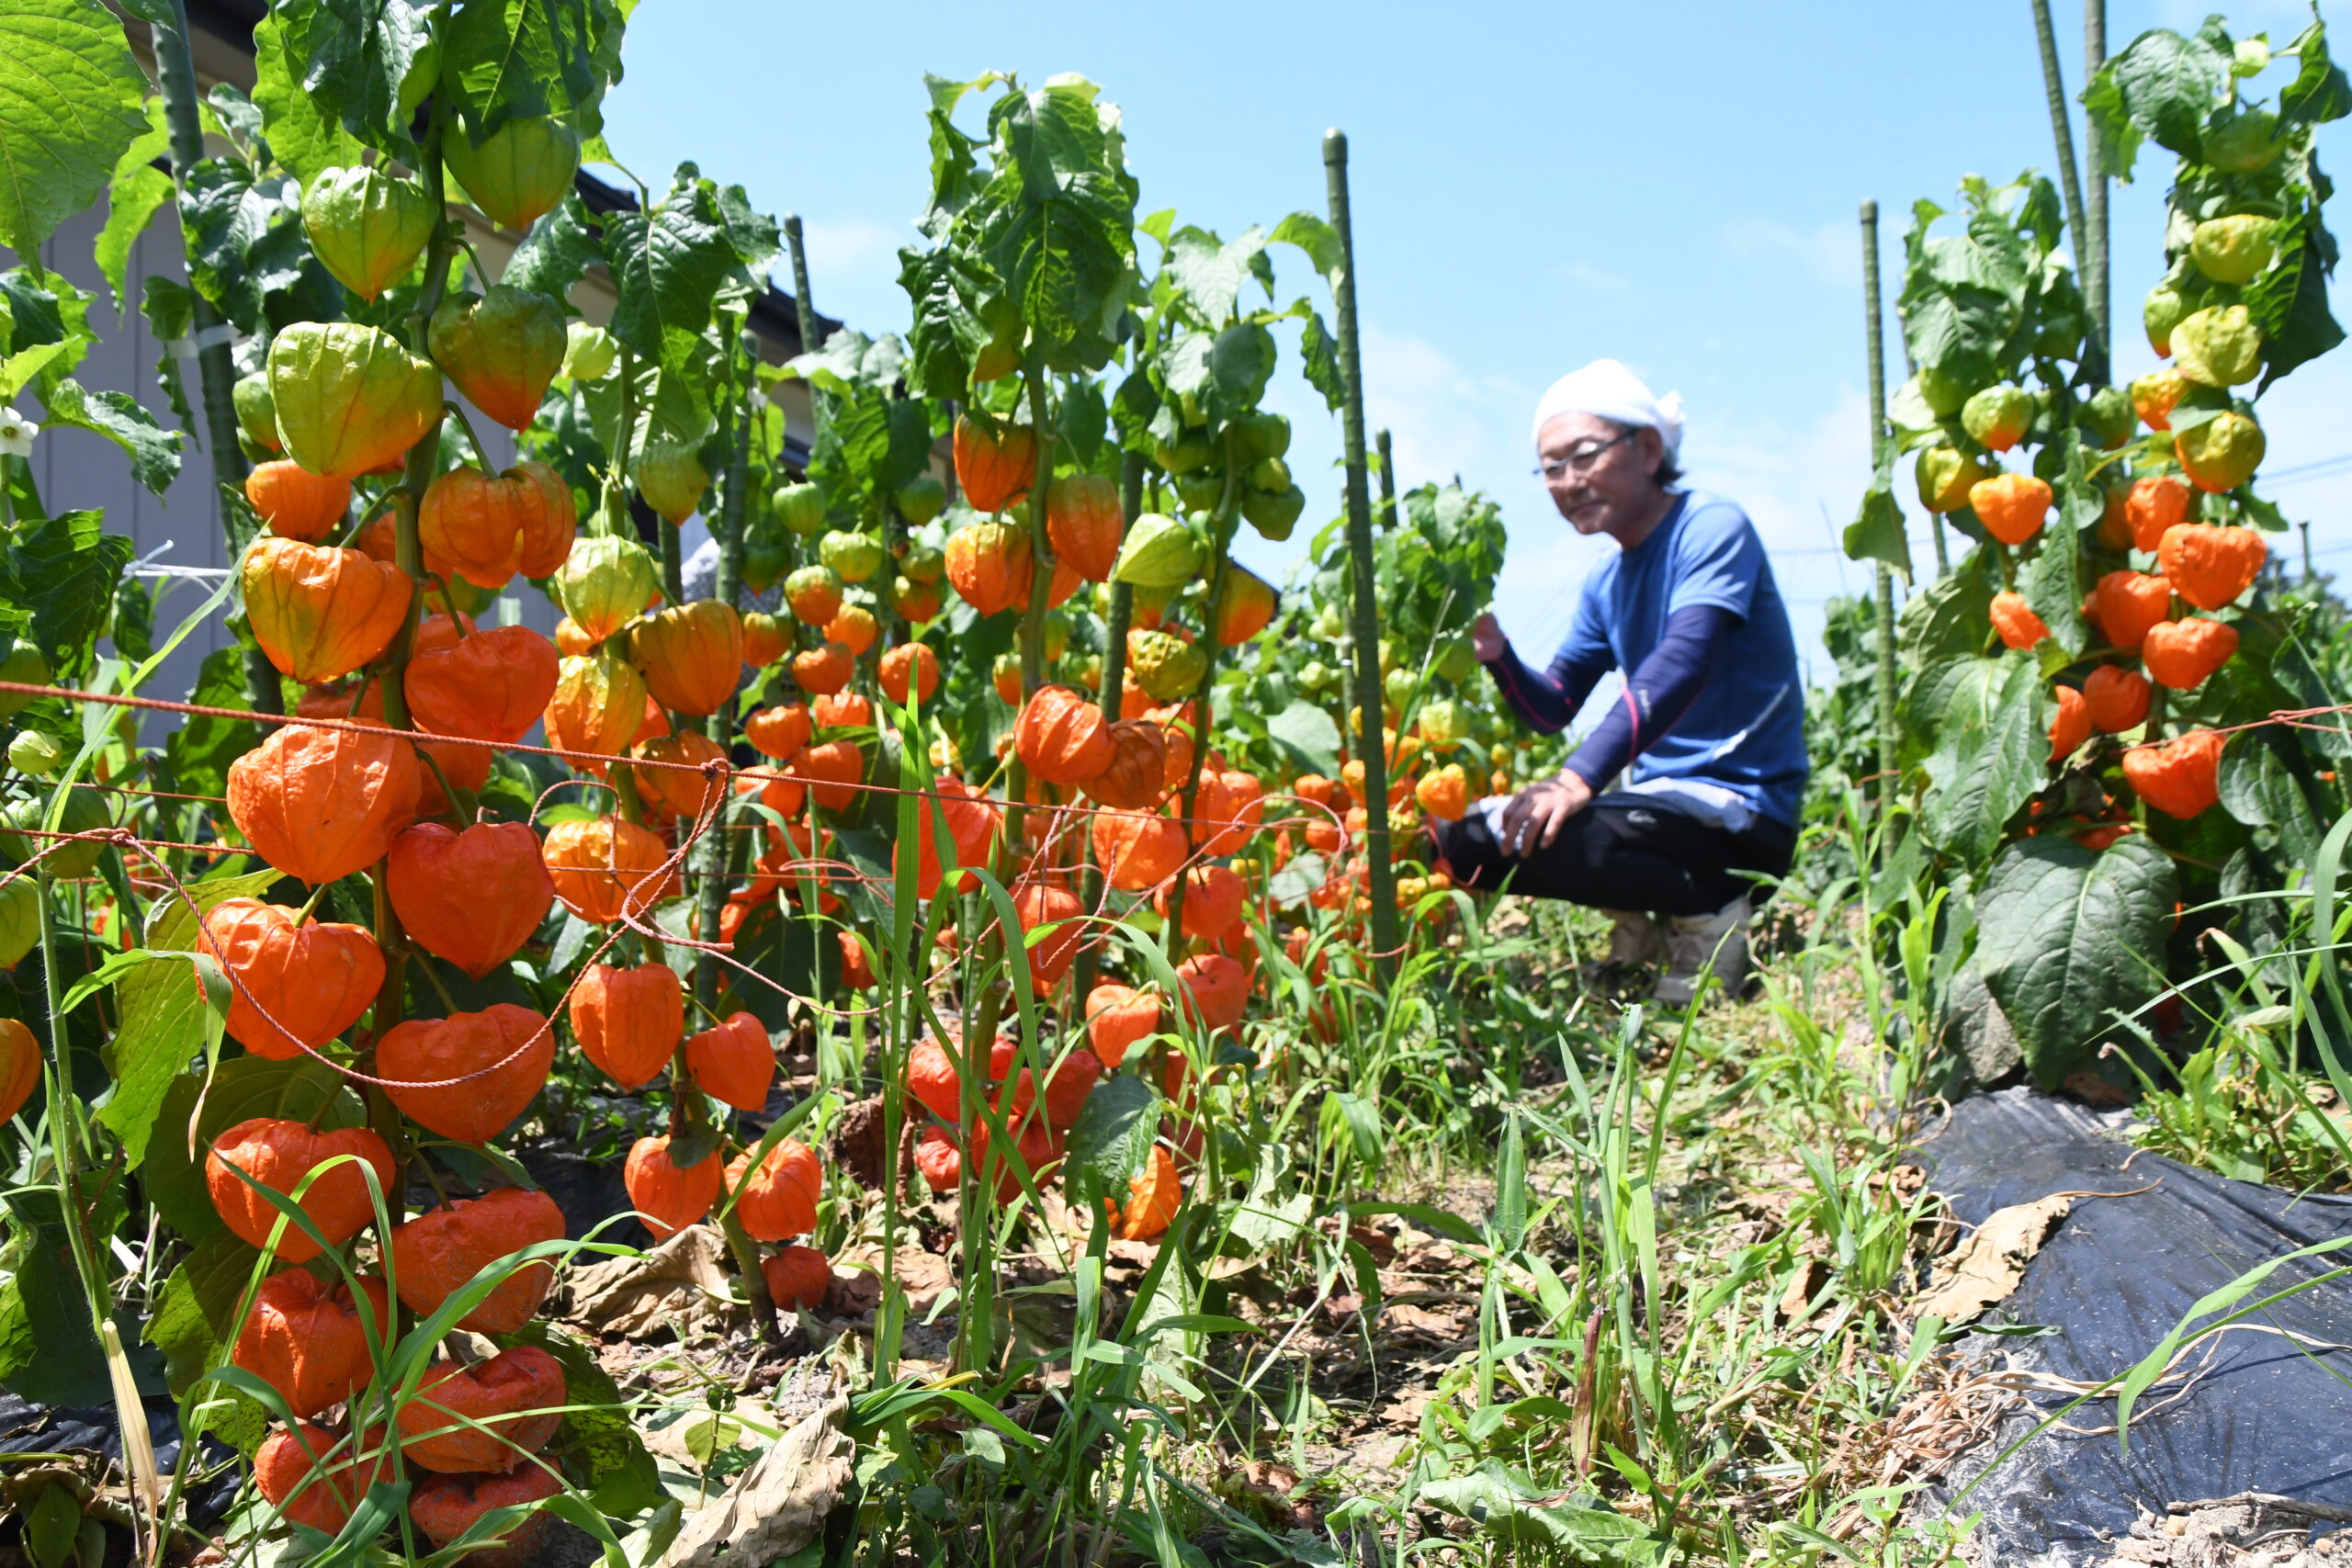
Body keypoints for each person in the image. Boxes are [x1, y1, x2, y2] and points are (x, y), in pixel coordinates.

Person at [1430, 359, 1807, 1005]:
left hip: (1742, 817)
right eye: (1551, 467)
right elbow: (1554, 706)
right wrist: (1498, 655)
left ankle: (1714, 915)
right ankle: (1650, 914)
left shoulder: (1711, 527)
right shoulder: (1607, 580)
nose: (1568, 481)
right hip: (1660, 810)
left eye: (1583, 456)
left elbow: (1683, 661)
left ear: (1649, 448)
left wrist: (1576, 779)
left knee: (1558, 825)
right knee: (1465, 837)